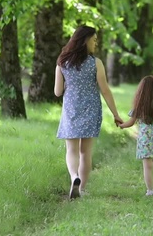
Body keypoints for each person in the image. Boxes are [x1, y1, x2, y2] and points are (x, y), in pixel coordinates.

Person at [54, 25, 123, 199]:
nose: (95, 43)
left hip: (71, 110)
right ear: (85, 40)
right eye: (93, 40)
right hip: (91, 110)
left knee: (71, 150)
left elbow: (57, 92)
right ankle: (82, 189)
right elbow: (105, 90)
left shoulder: (62, 61)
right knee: (86, 152)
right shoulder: (95, 63)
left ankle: (73, 177)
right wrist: (115, 114)